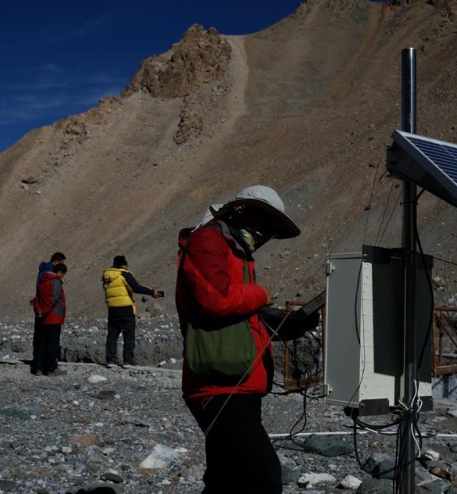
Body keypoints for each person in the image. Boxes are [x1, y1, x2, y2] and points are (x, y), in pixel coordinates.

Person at [176, 185, 317, 494]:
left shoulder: (236, 251)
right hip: (218, 386)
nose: (267, 233)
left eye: (273, 228)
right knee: (262, 477)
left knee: (226, 479)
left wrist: (292, 325)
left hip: (238, 382)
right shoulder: (207, 241)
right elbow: (216, 300)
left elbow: (245, 320)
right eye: (266, 222)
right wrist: (262, 294)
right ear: (240, 210)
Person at [102, 255, 163, 367]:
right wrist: (151, 292)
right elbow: (136, 287)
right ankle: (128, 360)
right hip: (125, 308)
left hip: (112, 309)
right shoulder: (124, 274)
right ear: (124, 264)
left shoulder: (106, 276)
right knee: (129, 334)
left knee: (112, 335)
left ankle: (110, 360)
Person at [30, 252, 66, 375]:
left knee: (41, 342)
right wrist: (44, 312)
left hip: (42, 318)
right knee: (52, 343)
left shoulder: (41, 280)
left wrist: (39, 311)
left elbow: (37, 299)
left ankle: (39, 367)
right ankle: (51, 368)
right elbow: (53, 299)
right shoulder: (55, 282)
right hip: (52, 317)